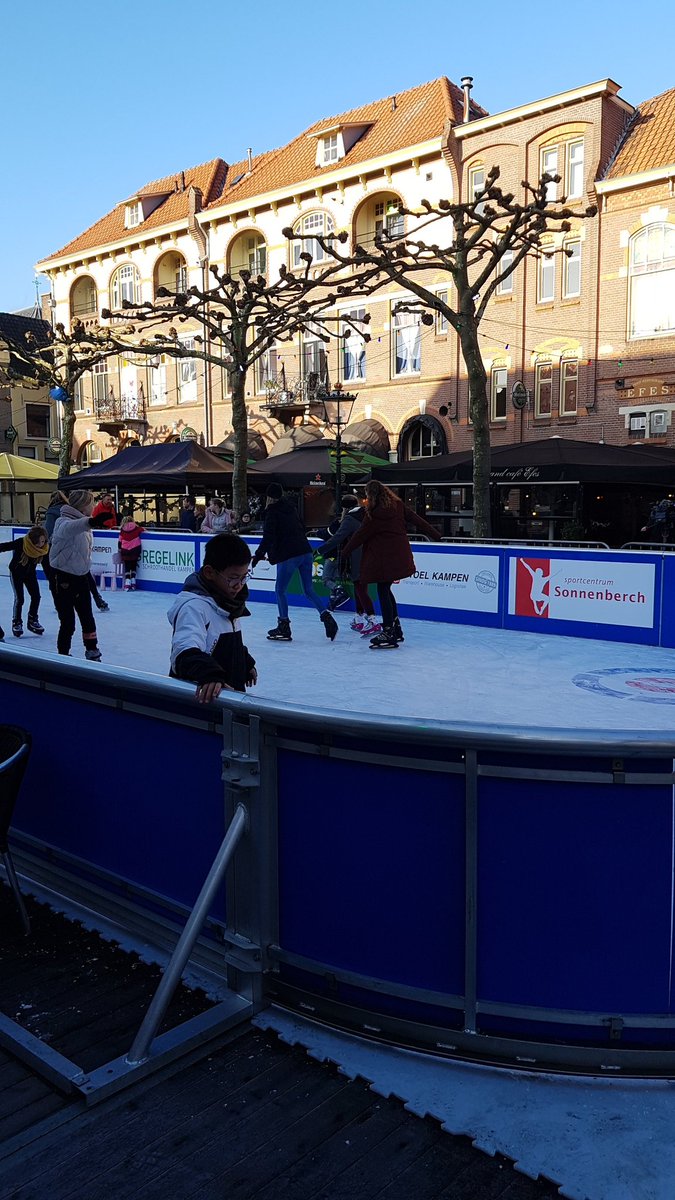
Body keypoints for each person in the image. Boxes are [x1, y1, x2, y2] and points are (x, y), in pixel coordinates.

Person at [341, 480, 439, 650]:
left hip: (384, 559)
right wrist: (436, 535)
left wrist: (344, 553)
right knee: (386, 590)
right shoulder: (398, 505)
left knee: (383, 591)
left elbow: (360, 535)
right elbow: (417, 520)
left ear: (370, 495)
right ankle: (396, 629)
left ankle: (388, 631)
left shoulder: (373, 514)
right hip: (399, 556)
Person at [168, 533, 257, 704]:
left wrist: (243, 661)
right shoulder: (194, 607)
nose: (239, 585)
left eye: (244, 577)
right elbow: (184, 651)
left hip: (229, 698)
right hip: (203, 703)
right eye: (233, 578)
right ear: (209, 572)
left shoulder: (228, 602)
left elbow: (222, 642)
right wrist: (209, 674)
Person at [250, 483, 338, 642]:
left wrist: (258, 556)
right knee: (309, 590)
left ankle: (284, 625)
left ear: (269, 497)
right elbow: (301, 527)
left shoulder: (272, 512)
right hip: (305, 551)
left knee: (280, 590)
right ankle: (327, 617)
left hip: (288, 555)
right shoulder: (291, 508)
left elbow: (268, 537)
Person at [49, 489, 111, 660]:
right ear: (83, 505)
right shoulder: (62, 521)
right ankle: (63, 655)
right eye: (92, 503)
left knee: (87, 618)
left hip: (81, 575)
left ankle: (92, 650)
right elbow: (70, 529)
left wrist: (90, 522)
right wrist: (91, 521)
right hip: (63, 577)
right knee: (68, 622)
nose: (94, 506)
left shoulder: (84, 523)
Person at [314, 495, 381, 636]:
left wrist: (320, 550)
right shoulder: (366, 514)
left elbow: (337, 538)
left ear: (344, 508)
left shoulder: (350, 519)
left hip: (357, 557)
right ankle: (359, 617)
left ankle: (372, 620)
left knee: (360, 589)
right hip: (370, 555)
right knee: (360, 587)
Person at [0, 526, 49, 639]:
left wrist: (52, 579)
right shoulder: (22, 542)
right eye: (41, 541)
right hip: (16, 573)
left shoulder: (44, 549)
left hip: (30, 574)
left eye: (44, 541)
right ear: (34, 540)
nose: (43, 543)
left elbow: (47, 566)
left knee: (36, 596)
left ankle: (32, 619)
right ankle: (16, 622)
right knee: (19, 598)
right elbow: (5, 546)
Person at [118, 515, 144, 590]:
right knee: (133, 565)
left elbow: (119, 541)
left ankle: (127, 581)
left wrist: (119, 549)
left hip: (125, 550)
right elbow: (143, 530)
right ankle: (133, 581)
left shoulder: (122, 530)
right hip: (135, 549)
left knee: (127, 565)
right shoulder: (137, 529)